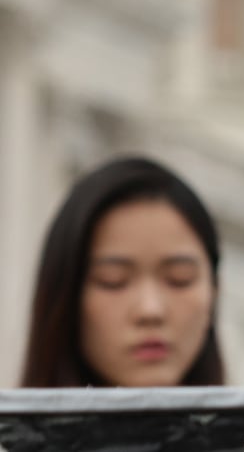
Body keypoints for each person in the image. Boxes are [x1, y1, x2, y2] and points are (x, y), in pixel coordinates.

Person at [20, 155, 225, 387]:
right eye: (112, 280)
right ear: (66, 296)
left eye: (180, 278)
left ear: (214, 290)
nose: (150, 310)